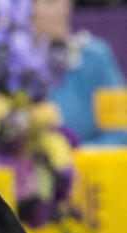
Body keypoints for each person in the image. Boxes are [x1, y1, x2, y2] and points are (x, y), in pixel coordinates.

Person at [34, 0, 127, 145]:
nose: (63, 10)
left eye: (66, 2)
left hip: (90, 163)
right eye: (50, 3)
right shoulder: (13, 67)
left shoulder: (95, 55)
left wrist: (77, 158)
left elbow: (120, 128)